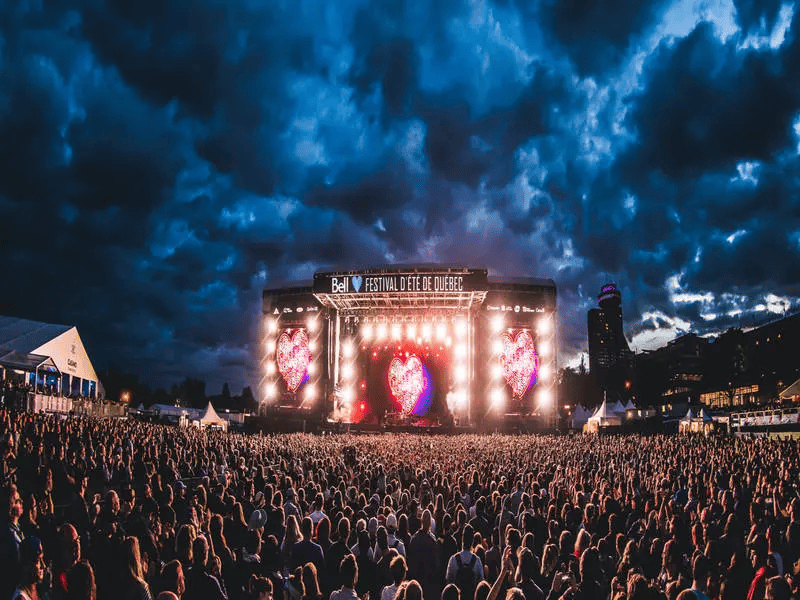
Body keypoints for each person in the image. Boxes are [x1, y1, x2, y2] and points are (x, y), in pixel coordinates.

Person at [445, 525, 483, 600]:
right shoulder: (477, 561)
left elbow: (448, 581)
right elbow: (480, 584)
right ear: (472, 540)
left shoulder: (453, 559)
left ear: (462, 539)